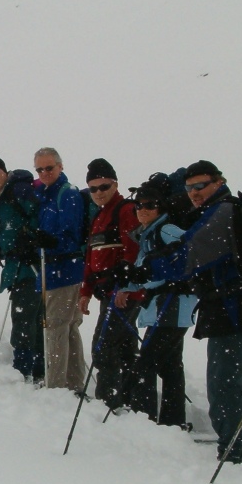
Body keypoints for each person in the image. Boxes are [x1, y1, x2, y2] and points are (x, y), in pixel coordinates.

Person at [181, 160, 242, 463]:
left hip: (233, 310)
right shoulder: (218, 211)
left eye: (200, 186)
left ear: (219, 182)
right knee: (234, 376)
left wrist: (151, 265)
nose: (194, 192)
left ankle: (232, 450)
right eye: (189, 188)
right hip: (239, 308)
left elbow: (189, 256)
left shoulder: (223, 212)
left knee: (222, 382)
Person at [115, 177, 196, 427]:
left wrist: (174, 280)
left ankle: (145, 419)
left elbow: (191, 251)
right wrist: (127, 286)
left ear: (160, 207)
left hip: (172, 303)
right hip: (167, 304)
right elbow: (147, 272)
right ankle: (172, 422)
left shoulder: (165, 230)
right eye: (139, 205)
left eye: (150, 205)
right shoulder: (149, 235)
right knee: (169, 365)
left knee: (146, 362)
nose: (143, 209)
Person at [77, 158, 143, 411]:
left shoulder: (125, 210)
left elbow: (134, 251)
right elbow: (91, 258)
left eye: (104, 186)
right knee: (123, 347)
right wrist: (85, 291)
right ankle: (129, 401)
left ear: (115, 184)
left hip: (122, 294)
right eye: (93, 189)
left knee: (104, 346)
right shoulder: (100, 215)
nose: (98, 193)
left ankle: (108, 402)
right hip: (108, 292)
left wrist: (125, 287)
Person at [0, 149, 45, 384]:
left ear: (4, 171)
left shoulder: (20, 190)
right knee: (31, 318)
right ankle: (37, 368)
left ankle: (24, 369)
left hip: (30, 266)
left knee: (24, 318)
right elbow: (6, 232)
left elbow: (37, 219)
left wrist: (30, 242)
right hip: (16, 267)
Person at [31, 147, 86, 391]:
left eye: (49, 168)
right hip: (57, 270)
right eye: (39, 169)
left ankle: (55, 387)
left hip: (63, 270)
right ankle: (72, 383)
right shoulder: (47, 195)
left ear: (60, 166)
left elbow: (72, 235)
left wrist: (51, 242)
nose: (44, 173)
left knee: (56, 327)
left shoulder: (67, 194)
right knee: (67, 327)